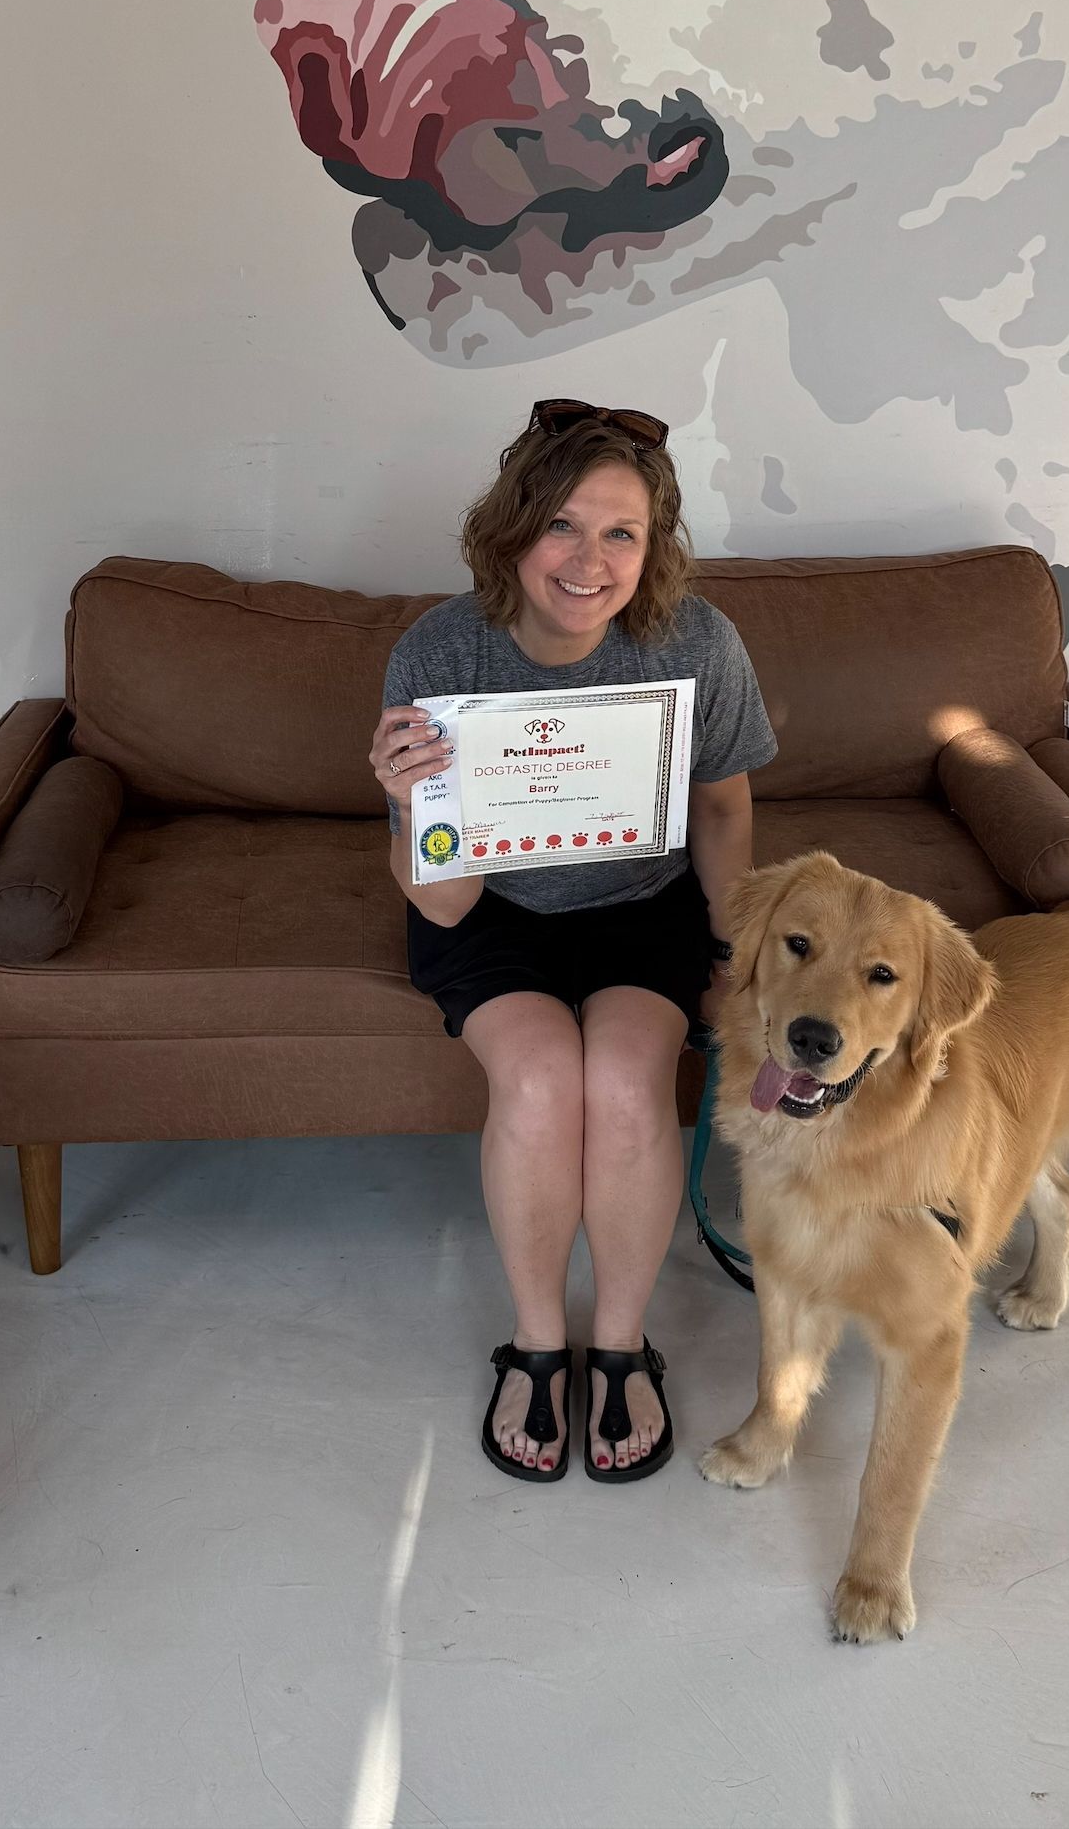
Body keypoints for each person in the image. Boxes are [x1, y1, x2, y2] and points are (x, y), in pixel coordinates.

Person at [371, 399, 777, 1484]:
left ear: (652, 552)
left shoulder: (696, 641)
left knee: (630, 1078)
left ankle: (623, 1339)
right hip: (489, 907)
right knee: (544, 1080)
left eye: (620, 533)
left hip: (644, 904)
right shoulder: (441, 647)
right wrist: (413, 804)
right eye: (561, 524)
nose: (587, 559)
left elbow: (726, 811)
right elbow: (444, 906)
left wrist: (734, 947)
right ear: (511, 529)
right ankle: (540, 1341)